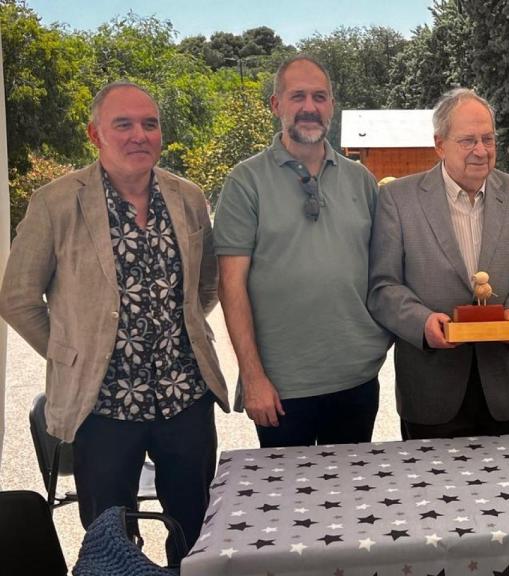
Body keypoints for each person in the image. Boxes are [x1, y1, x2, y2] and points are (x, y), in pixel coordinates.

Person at [0, 81, 228, 562]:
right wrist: (72, 352)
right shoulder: (55, 203)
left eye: (149, 124)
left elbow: (207, 285)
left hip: (184, 398)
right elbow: (18, 298)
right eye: (122, 124)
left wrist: (181, 330)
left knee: (195, 522)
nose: (138, 135)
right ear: (95, 133)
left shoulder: (187, 197)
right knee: (109, 535)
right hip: (102, 407)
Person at [215, 56, 390, 447]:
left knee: (351, 498)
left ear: (331, 106)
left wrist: (379, 340)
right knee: (287, 504)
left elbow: (384, 271)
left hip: (356, 380)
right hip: (281, 388)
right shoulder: (246, 182)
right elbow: (231, 286)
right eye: (297, 96)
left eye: (320, 97)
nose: (309, 107)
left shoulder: (360, 180)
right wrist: (253, 377)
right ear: (276, 105)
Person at [368, 88, 509, 440]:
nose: (481, 150)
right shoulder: (398, 199)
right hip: (431, 386)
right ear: (440, 144)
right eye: (467, 140)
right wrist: (423, 323)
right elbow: (383, 287)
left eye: (488, 139)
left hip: (500, 389)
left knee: (507, 492)